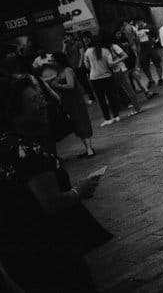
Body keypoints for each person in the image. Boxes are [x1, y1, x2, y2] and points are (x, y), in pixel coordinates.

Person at [0, 74, 112, 292]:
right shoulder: (28, 152)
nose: (43, 104)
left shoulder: (5, 145)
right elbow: (52, 203)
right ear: (14, 111)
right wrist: (80, 190)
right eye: (34, 101)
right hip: (48, 248)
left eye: (41, 98)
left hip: (17, 251)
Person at [44, 53, 96, 158]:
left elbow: (71, 85)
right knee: (77, 124)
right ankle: (87, 148)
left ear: (59, 61)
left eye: (53, 60)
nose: (51, 63)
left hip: (75, 101)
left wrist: (57, 85)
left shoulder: (67, 70)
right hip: (68, 102)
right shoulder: (59, 72)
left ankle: (90, 149)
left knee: (81, 122)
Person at [83, 34, 121, 127]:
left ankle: (107, 119)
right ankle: (116, 116)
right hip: (107, 76)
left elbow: (87, 66)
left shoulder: (87, 52)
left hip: (95, 78)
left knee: (101, 100)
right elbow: (110, 64)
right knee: (111, 97)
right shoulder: (106, 51)